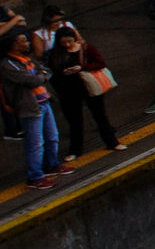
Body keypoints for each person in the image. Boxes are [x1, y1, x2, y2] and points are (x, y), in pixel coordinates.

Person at [44, 23, 121, 158]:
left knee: (100, 116)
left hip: (88, 87)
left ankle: (112, 142)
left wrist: (82, 67)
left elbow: (100, 63)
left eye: (69, 41)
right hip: (68, 90)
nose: (67, 45)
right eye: (63, 42)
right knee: (75, 121)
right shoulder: (55, 54)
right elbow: (53, 71)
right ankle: (75, 151)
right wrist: (63, 72)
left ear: (75, 39)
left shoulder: (86, 49)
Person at [2, 28, 61, 189]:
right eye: (23, 40)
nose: (27, 43)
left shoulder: (26, 58)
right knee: (35, 143)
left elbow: (45, 71)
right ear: (14, 45)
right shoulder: (8, 65)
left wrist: (38, 77)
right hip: (30, 106)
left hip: (44, 101)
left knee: (52, 136)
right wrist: (39, 78)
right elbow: (31, 80)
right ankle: (35, 176)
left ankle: (52, 165)